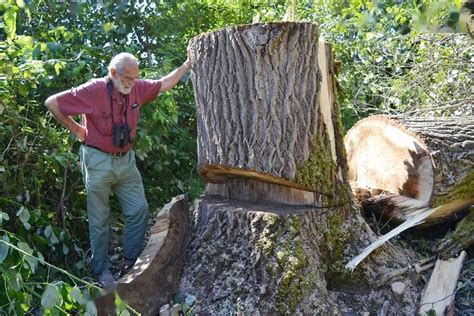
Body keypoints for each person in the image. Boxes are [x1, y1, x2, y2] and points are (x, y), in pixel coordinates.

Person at [45, 52, 191, 287]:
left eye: (136, 78)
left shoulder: (136, 88)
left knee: (139, 210)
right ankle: (101, 269)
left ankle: (130, 261)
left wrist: (187, 64)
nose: (132, 83)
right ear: (113, 73)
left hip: (126, 161)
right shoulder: (93, 90)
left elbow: (164, 84)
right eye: (128, 78)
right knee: (99, 218)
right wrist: (76, 129)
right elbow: (52, 103)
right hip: (97, 160)